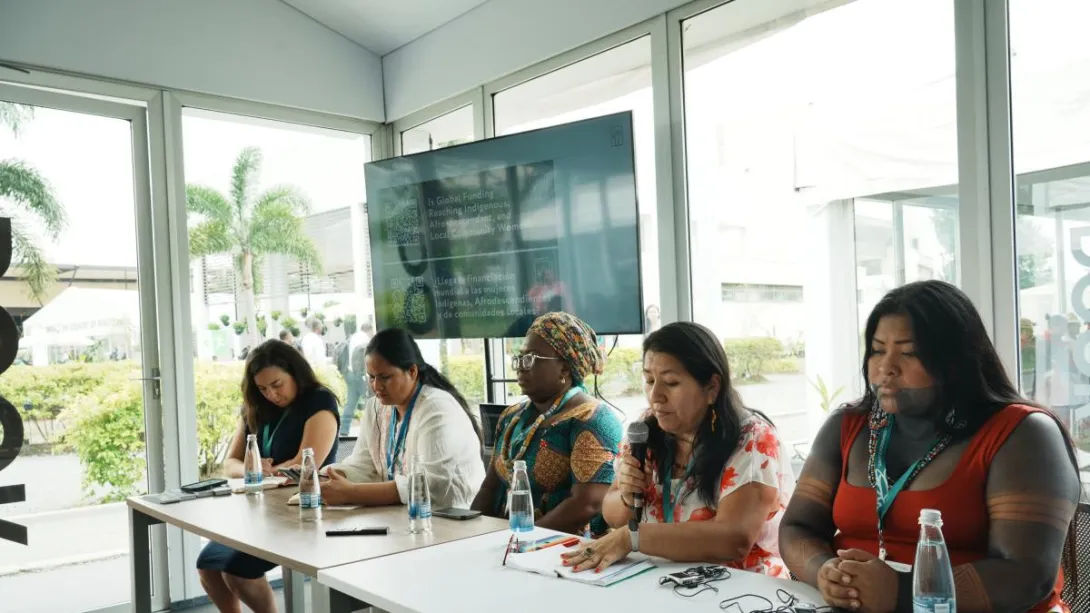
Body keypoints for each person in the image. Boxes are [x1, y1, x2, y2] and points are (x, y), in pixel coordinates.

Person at [779, 280, 1079, 613]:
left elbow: (1026, 575)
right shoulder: (847, 425)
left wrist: (901, 594)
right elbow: (797, 527)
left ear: (955, 360)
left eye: (908, 353)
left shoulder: (1022, 433)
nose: (885, 367)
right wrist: (824, 572)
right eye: (877, 350)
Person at [566, 322, 794, 575]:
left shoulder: (751, 440)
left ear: (712, 388)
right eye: (649, 380)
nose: (655, 395)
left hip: (738, 588)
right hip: (661, 579)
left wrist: (634, 537)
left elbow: (734, 538)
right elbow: (613, 515)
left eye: (671, 383)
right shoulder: (645, 432)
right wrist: (627, 497)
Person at [196, 340, 340, 613]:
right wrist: (256, 469)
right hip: (261, 513)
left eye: (277, 385)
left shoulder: (319, 400)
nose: (271, 395)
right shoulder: (256, 406)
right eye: (262, 389)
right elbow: (231, 464)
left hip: (303, 511)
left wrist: (266, 471)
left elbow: (304, 465)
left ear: (295, 373)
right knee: (209, 565)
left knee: (237, 572)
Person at [471, 312, 623, 536]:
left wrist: (521, 539)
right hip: (507, 544)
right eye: (519, 358)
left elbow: (586, 505)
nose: (520, 367)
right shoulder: (512, 417)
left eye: (531, 358)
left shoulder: (593, 420)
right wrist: (470, 536)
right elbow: (490, 488)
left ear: (564, 368)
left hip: (568, 552)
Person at [320, 328, 485, 508]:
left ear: (412, 372)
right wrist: (326, 478)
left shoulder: (436, 408)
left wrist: (350, 493)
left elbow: (430, 486)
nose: (376, 386)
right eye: (371, 377)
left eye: (385, 377)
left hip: (450, 520)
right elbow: (363, 465)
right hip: (401, 516)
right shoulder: (376, 407)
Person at [337, 318, 373, 436]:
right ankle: (370, 431)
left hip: (349, 373)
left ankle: (344, 430)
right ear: (369, 329)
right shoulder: (364, 338)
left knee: (351, 402)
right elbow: (365, 358)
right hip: (360, 375)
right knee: (372, 401)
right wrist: (366, 375)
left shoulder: (353, 337)